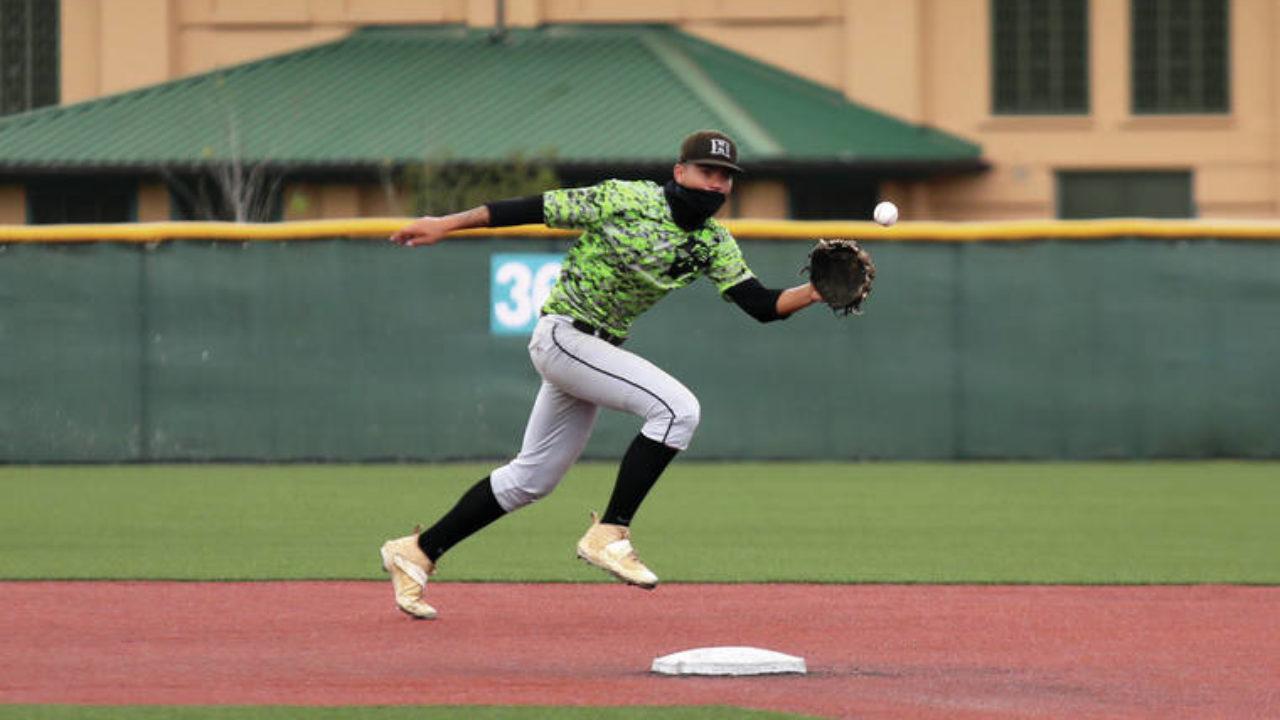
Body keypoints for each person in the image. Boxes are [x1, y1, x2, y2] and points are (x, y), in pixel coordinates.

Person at [379, 129, 826, 619]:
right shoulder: (626, 197)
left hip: (593, 350)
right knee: (678, 411)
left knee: (531, 479)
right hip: (565, 335)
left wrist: (813, 291)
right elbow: (531, 208)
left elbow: (760, 304)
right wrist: (445, 223)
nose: (716, 183)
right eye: (706, 171)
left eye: (725, 177)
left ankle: (417, 552)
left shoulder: (714, 243)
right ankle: (611, 530)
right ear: (679, 172)